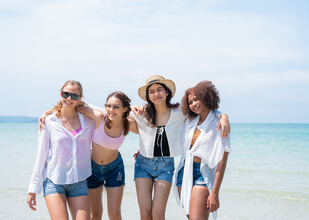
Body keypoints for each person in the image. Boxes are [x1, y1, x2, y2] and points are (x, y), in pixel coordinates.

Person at [130, 75, 230, 220]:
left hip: (177, 167)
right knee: (148, 214)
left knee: (160, 215)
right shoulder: (144, 113)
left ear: (166, 92)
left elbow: (207, 113)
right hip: (166, 167)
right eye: (151, 91)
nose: (156, 94)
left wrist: (224, 116)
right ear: (148, 96)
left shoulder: (180, 112)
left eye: (159, 90)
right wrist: (147, 148)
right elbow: (124, 117)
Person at [38, 91, 139, 220]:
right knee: (94, 214)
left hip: (115, 168)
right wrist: (48, 112)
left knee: (114, 214)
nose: (111, 110)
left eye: (116, 107)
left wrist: (141, 150)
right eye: (108, 106)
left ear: (125, 108)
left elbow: (148, 133)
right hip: (92, 169)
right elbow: (74, 105)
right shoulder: (98, 117)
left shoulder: (128, 124)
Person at [27, 80, 95, 220]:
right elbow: (41, 155)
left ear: (80, 98)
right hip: (54, 181)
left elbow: (106, 114)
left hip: (79, 180)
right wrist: (33, 188)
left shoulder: (88, 122)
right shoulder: (50, 121)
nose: (69, 98)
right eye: (66, 94)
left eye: (74, 96)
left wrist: (83, 106)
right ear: (60, 94)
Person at [173, 80, 231, 220]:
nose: (194, 104)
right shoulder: (189, 121)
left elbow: (222, 161)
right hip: (183, 171)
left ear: (206, 97)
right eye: (190, 102)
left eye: (196, 99)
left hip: (202, 174)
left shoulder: (219, 123)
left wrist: (215, 193)